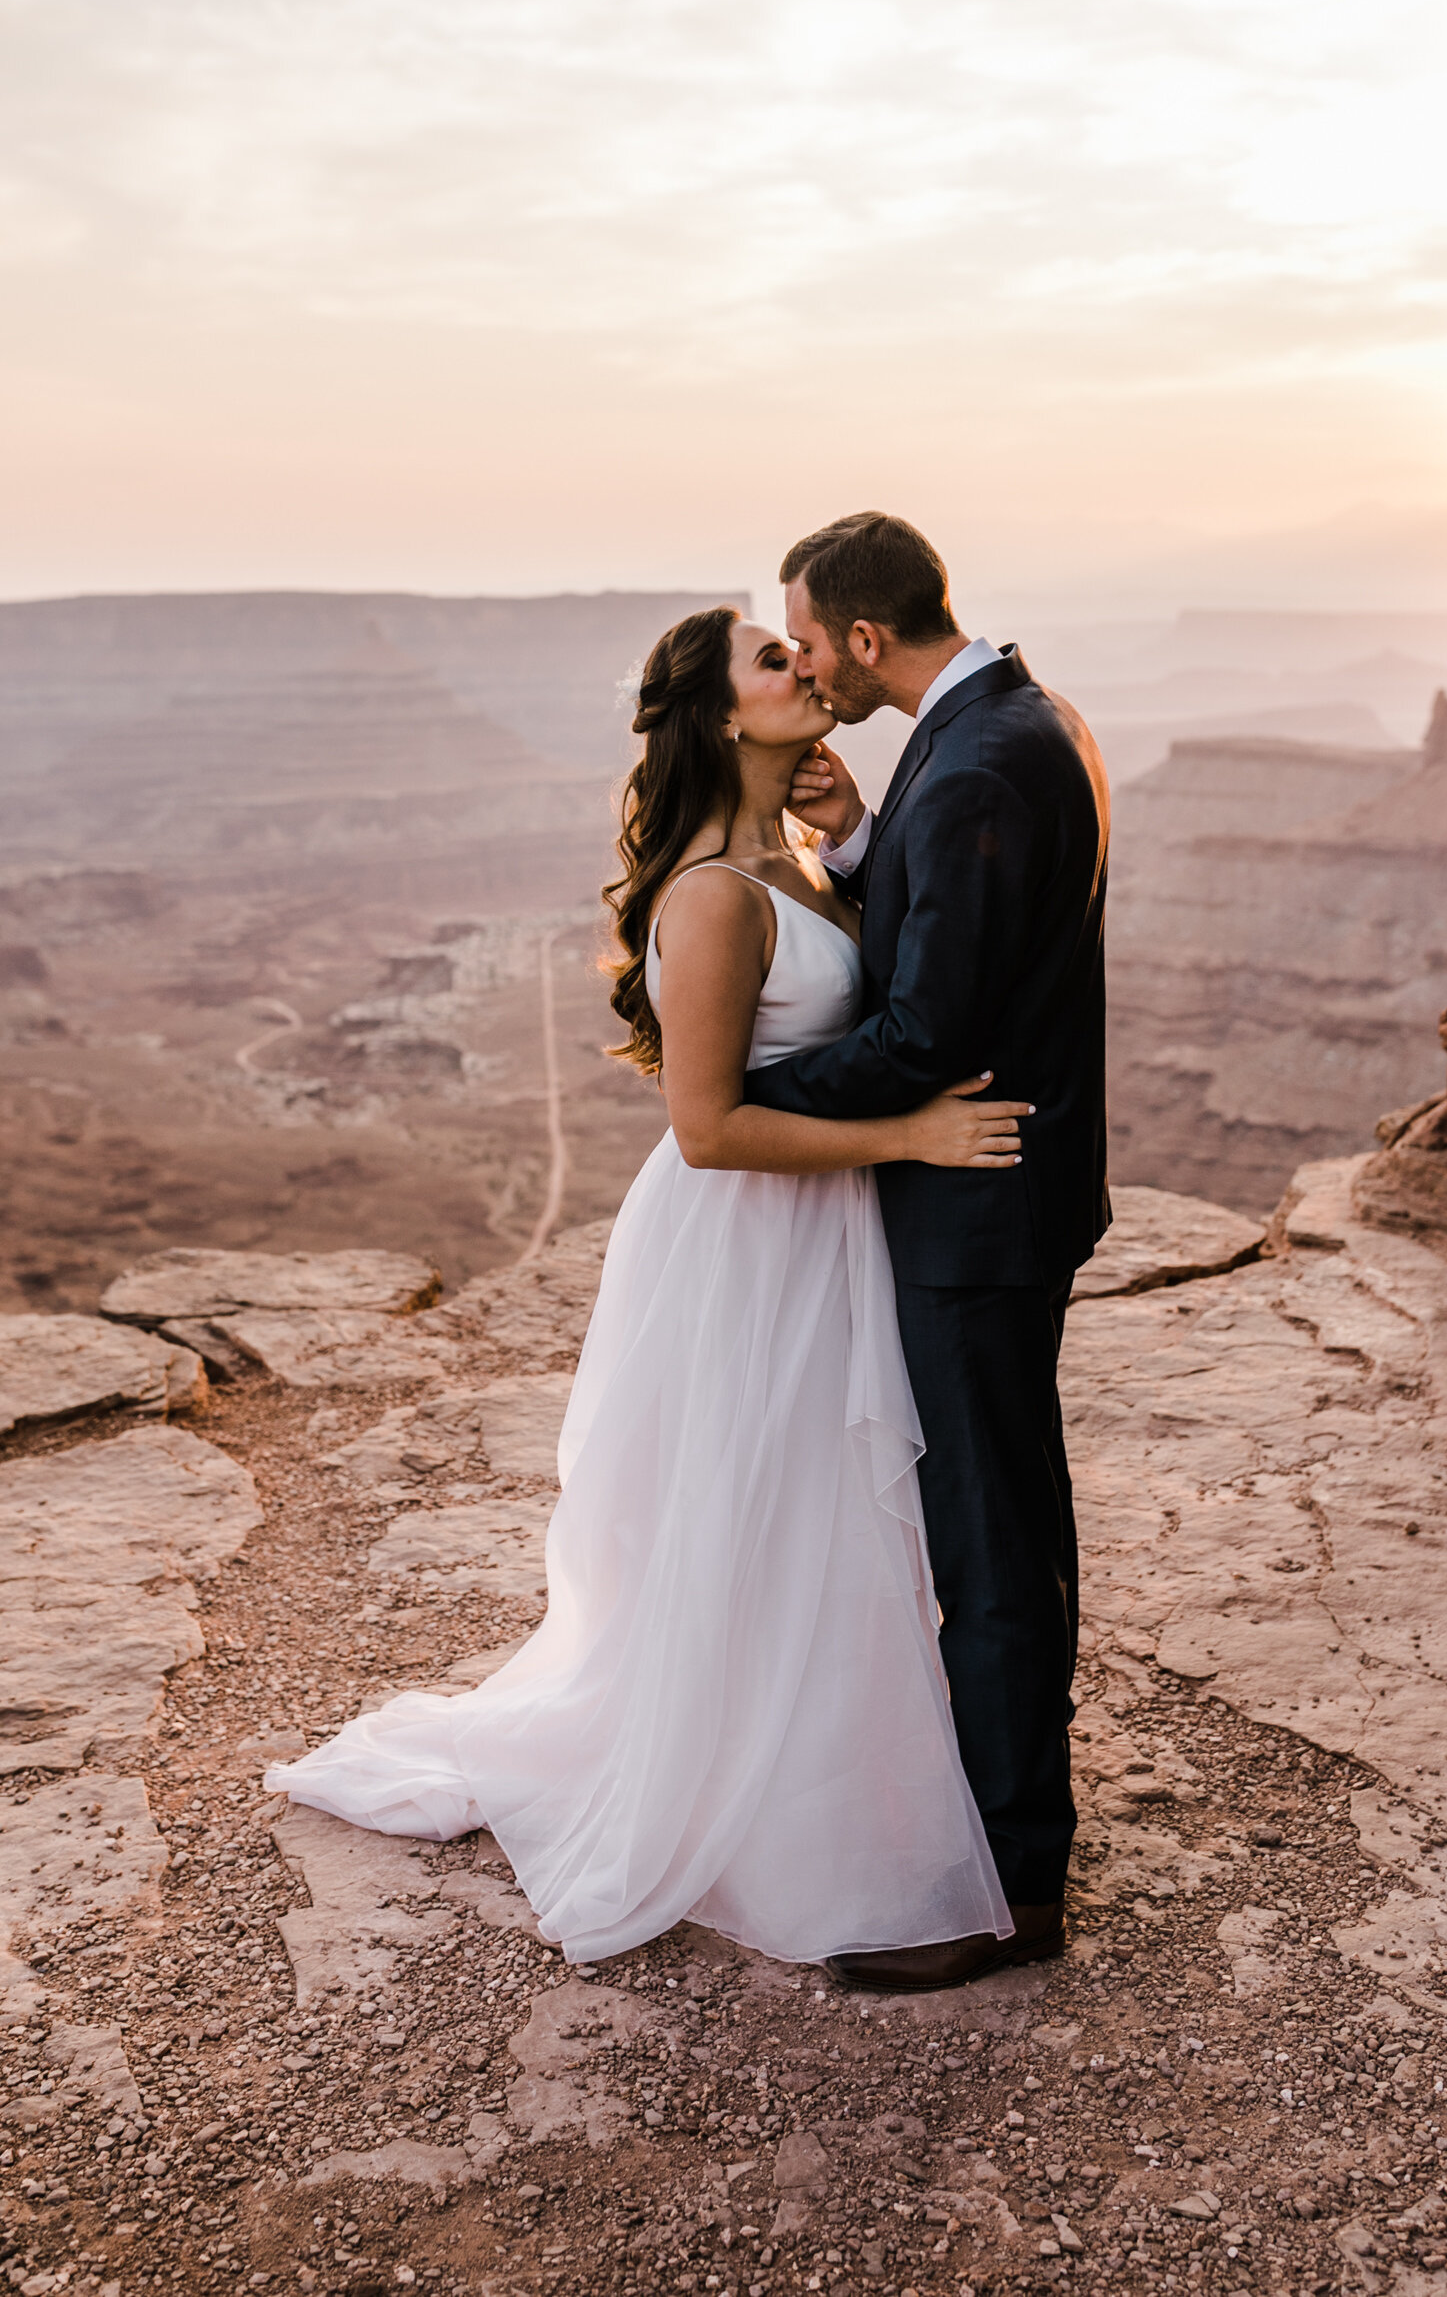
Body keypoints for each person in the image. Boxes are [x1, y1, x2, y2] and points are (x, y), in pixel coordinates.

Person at [266, 603, 1032, 1967]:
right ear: (722, 714)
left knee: (817, 1517)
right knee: (762, 1507)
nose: (806, 669)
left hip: (814, 1233)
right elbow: (709, 1127)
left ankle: (819, 1761)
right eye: (774, 659)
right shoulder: (710, 896)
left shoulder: (790, 861)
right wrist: (907, 1137)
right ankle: (762, 1793)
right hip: (744, 1237)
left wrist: (851, 835)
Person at [753, 511, 1111, 1992]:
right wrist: (855, 843)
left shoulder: (971, 756)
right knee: (1003, 1511)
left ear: (861, 638)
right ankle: (996, 1822)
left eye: (807, 640)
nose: (805, 669)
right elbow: (957, 927)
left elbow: (924, 1031)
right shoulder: (1015, 719)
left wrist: (737, 1099)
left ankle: (1010, 1886)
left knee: (991, 1540)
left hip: (979, 1216)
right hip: (1012, 1199)